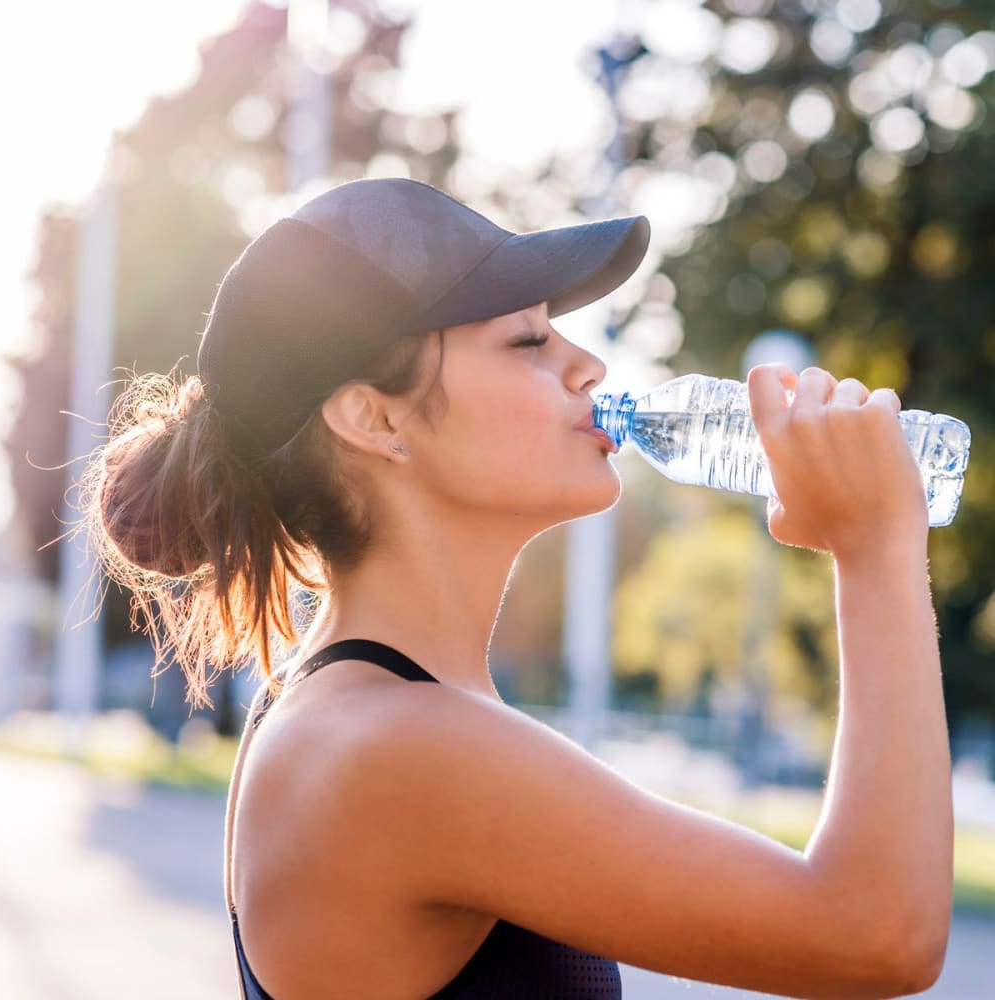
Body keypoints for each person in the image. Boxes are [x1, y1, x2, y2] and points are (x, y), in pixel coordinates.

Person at [81, 177, 952, 999]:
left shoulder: (361, 714)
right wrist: (875, 550)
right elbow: (876, 935)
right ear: (374, 418)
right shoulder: (394, 748)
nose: (589, 368)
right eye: (530, 340)